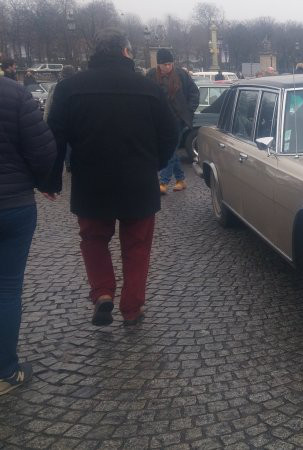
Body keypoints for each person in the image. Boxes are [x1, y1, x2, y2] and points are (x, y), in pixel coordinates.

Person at [46, 28, 178, 327]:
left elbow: (54, 135)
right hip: (138, 182)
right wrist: (152, 164)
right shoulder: (149, 88)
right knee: (137, 245)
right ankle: (132, 307)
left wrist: (51, 179)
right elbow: (170, 135)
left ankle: (103, 292)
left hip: (91, 181)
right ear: (126, 52)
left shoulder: (70, 87)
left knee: (93, 240)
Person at [0, 72, 57, 395]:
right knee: (6, 290)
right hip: (12, 204)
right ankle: (5, 371)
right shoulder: (13, 94)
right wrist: (40, 181)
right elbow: (43, 149)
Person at [146, 49, 200, 194]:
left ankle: (163, 182)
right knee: (172, 150)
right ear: (159, 65)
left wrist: (189, 110)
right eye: (165, 64)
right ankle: (180, 180)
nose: (168, 67)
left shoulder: (182, 74)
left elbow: (194, 92)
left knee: (170, 148)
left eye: (170, 64)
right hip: (160, 119)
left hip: (178, 119)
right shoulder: (151, 75)